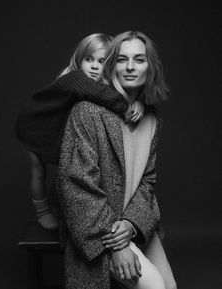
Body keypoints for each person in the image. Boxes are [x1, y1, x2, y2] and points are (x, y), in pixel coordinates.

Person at [57, 31, 176, 289]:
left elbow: (147, 181)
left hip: (132, 222)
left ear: (151, 66)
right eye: (122, 59)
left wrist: (132, 225)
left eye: (139, 59)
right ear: (112, 65)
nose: (130, 67)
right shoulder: (87, 111)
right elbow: (76, 188)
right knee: (155, 286)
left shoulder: (152, 119)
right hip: (99, 229)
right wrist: (116, 245)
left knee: (169, 287)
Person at [16, 33, 144, 230]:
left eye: (101, 61)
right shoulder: (74, 78)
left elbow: (120, 92)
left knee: (67, 168)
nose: (94, 66)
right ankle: (42, 211)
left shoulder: (104, 87)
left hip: (59, 131)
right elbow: (103, 95)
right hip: (35, 124)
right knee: (38, 170)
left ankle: (61, 209)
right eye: (88, 59)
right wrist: (126, 107)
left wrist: (139, 102)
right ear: (79, 60)